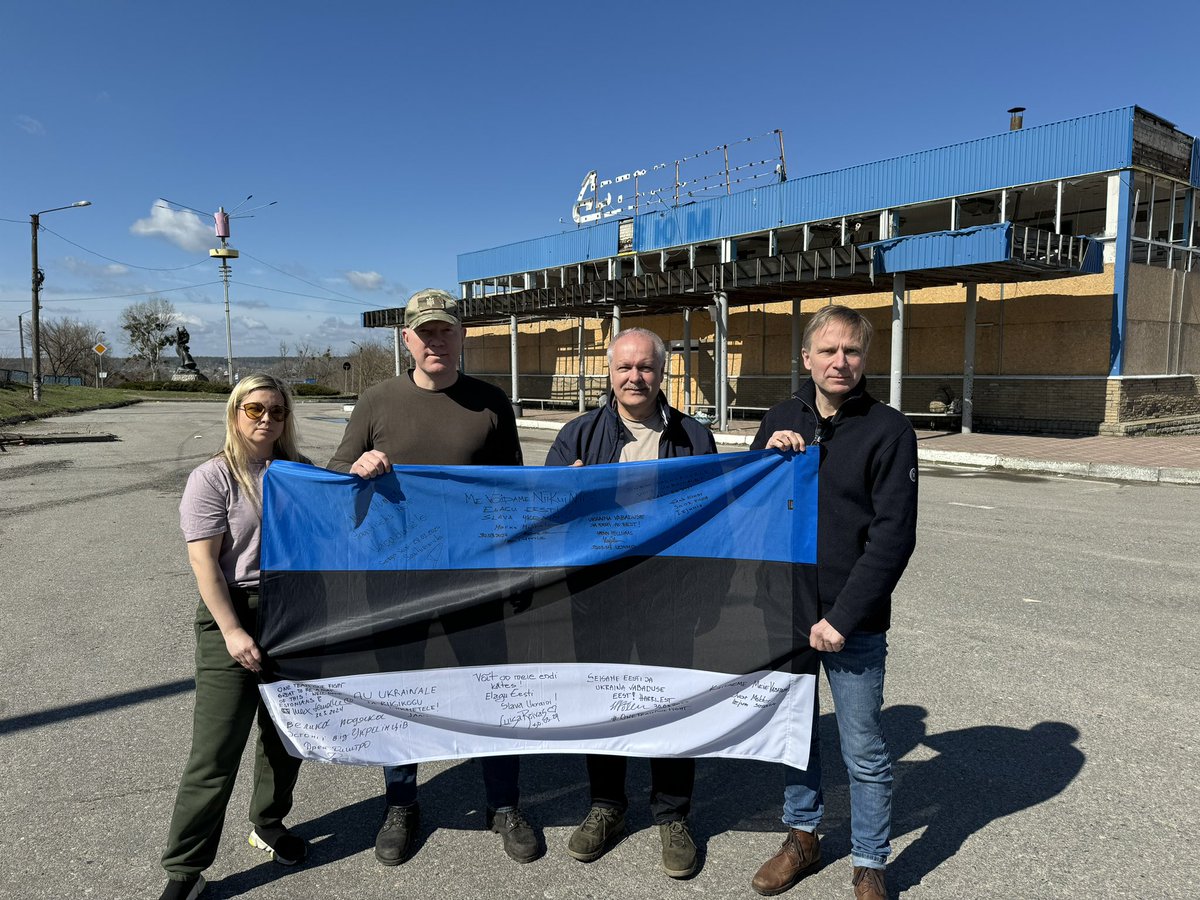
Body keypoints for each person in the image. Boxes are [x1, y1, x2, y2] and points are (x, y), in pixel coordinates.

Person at [326, 288, 538, 866]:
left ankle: (504, 804)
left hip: (476, 579)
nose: (435, 340)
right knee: (402, 692)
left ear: (462, 336)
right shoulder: (377, 400)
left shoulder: (491, 403)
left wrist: (517, 572)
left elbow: (513, 495)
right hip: (398, 579)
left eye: (445, 330)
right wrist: (357, 466)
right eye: (424, 332)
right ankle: (400, 803)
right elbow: (334, 472)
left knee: (491, 691)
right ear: (406, 340)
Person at [747, 305, 918, 900]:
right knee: (795, 733)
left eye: (851, 351)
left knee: (863, 746)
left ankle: (870, 860)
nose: (839, 361)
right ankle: (802, 835)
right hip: (787, 613)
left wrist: (841, 619)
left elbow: (893, 537)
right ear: (807, 358)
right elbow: (748, 508)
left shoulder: (889, 429)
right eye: (828, 350)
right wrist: (770, 459)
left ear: (865, 359)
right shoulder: (778, 418)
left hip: (852, 623)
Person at [545, 327, 717, 880]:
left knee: (671, 703)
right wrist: (562, 496)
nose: (634, 377)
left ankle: (672, 813)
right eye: (625, 368)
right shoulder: (577, 436)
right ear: (609, 373)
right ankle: (607, 805)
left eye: (645, 367)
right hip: (598, 598)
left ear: (662, 373)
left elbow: (714, 519)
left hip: (671, 596)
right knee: (605, 700)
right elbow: (542, 518)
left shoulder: (693, 436)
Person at [159, 374, 312, 900]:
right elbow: (204, 563)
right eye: (254, 409)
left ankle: (268, 823)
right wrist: (230, 631)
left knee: (283, 737)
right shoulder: (214, 477)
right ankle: (184, 869)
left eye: (276, 410)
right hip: (235, 609)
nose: (266, 418)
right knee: (215, 752)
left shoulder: (298, 473)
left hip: (293, 614)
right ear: (235, 412)